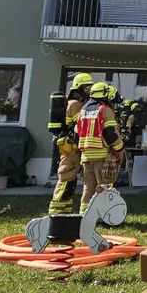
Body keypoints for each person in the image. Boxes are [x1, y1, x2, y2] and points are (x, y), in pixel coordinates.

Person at [47, 73, 94, 214]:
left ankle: (65, 210)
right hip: (71, 147)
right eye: (86, 88)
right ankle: (56, 211)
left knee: (71, 180)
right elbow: (82, 122)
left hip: (74, 147)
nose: (88, 91)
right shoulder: (75, 104)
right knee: (66, 177)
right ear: (78, 89)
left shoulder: (77, 103)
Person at [75, 82, 125, 215]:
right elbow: (110, 133)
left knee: (88, 188)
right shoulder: (104, 110)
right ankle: (106, 216)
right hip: (102, 156)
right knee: (105, 188)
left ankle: (84, 215)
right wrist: (120, 149)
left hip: (85, 156)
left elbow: (76, 132)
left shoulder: (83, 110)